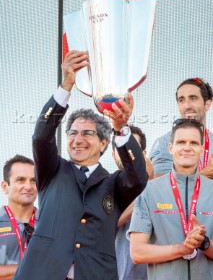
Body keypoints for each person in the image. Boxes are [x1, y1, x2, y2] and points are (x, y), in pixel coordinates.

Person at [13, 50, 148, 280]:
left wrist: (122, 129)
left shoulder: (113, 183)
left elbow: (138, 176)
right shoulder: (52, 170)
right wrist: (65, 86)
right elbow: (41, 137)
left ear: (104, 142)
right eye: (73, 133)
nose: (78, 140)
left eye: (87, 134)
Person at [128, 118, 213, 280]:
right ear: (171, 148)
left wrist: (204, 243)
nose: (187, 147)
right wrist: (182, 248)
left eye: (194, 143)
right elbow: (137, 252)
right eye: (181, 142)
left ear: (202, 149)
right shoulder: (150, 190)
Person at [150, 78, 213, 178]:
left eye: (193, 98)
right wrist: (205, 175)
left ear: (207, 104)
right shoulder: (164, 142)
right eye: (181, 100)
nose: (187, 106)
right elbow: (159, 186)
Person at [114, 125, 153, 280]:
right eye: (120, 148)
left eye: (132, 148)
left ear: (143, 154)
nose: (126, 153)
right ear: (113, 154)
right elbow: (111, 222)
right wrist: (147, 187)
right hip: (116, 271)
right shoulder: (106, 185)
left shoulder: (158, 185)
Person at [0, 154, 37, 280]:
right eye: (20, 180)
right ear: (5, 187)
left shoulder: (51, 222)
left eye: (33, 180)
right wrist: (32, 267)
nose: (28, 186)